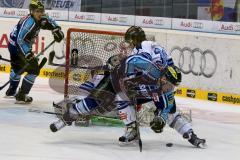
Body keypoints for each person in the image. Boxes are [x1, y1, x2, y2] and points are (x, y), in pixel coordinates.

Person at [116, 26, 206, 148]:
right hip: (157, 85)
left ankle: (191, 135)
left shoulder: (143, 45)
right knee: (168, 111)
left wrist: (160, 120)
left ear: (134, 39)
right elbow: (170, 67)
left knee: (122, 98)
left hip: (151, 85)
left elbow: (142, 62)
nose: (130, 44)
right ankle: (190, 135)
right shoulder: (158, 48)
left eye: (130, 41)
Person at [5, 0, 64, 103]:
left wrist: (57, 30)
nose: (40, 13)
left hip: (16, 44)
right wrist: (27, 53)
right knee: (34, 70)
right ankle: (21, 95)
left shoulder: (40, 18)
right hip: (16, 47)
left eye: (42, 11)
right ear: (31, 11)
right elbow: (19, 40)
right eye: (37, 11)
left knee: (17, 68)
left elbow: (49, 20)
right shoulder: (29, 23)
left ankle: (11, 91)